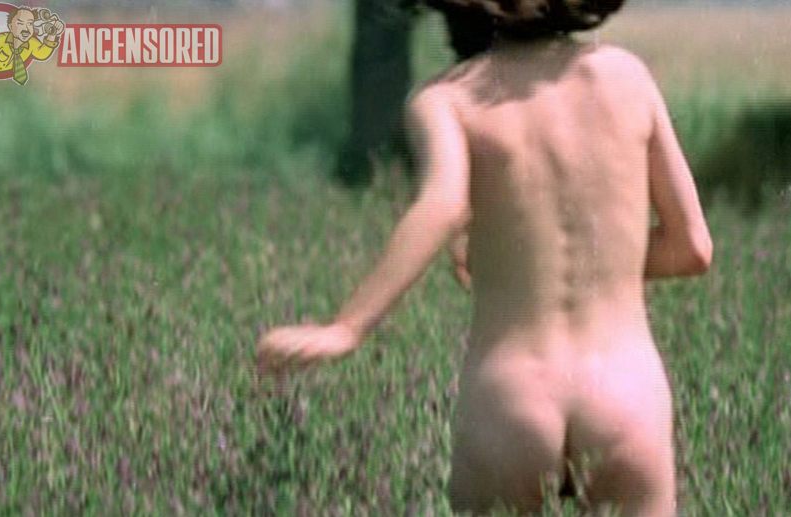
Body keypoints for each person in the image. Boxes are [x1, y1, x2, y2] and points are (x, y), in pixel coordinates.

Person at [257, 1, 712, 514]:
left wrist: (346, 328)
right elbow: (692, 247)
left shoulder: (448, 99)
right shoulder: (627, 77)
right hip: (627, 393)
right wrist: (593, 261)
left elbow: (443, 205)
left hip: (510, 397)